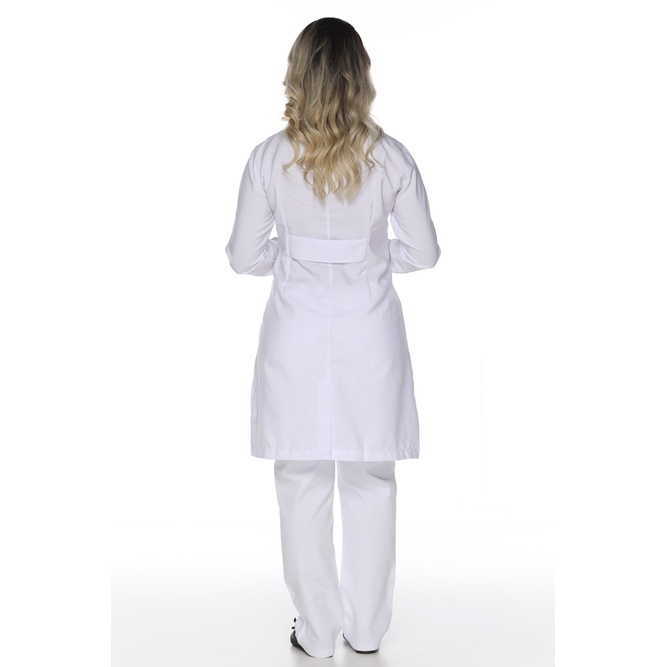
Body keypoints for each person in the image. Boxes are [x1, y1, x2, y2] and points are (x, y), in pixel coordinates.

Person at [225, 17, 440, 659]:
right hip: (369, 335)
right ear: (359, 76)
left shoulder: (269, 158)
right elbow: (425, 252)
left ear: (298, 75)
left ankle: (316, 633)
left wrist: (291, 259)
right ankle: (367, 631)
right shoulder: (390, 157)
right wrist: (369, 258)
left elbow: (243, 256)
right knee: (370, 479)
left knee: (301, 481)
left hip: (295, 337)